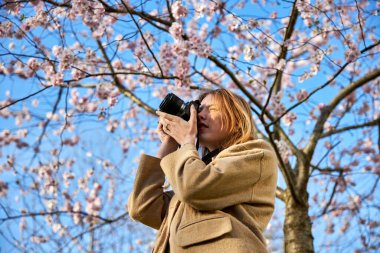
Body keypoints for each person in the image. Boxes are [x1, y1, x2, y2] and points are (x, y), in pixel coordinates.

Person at [128, 89, 278, 253]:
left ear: (237, 119)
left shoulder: (257, 155)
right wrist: (169, 143)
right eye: (199, 110)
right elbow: (142, 208)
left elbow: (194, 187)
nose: (200, 116)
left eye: (212, 109)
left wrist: (186, 142)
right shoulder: (193, 175)